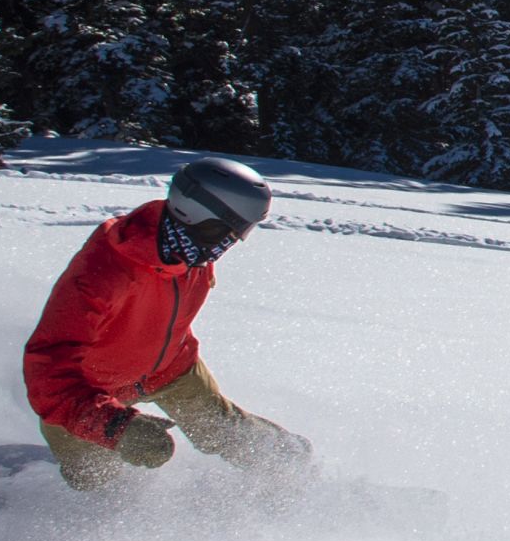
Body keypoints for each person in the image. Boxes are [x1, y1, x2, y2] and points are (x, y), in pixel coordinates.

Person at [21, 157, 311, 491]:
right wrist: (115, 426)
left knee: (224, 431)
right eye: (228, 231)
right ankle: (37, 479)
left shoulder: (189, 250)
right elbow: (47, 369)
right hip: (92, 394)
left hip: (170, 370)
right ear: (199, 218)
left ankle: (292, 463)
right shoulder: (103, 273)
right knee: (100, 483)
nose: (232, 243)